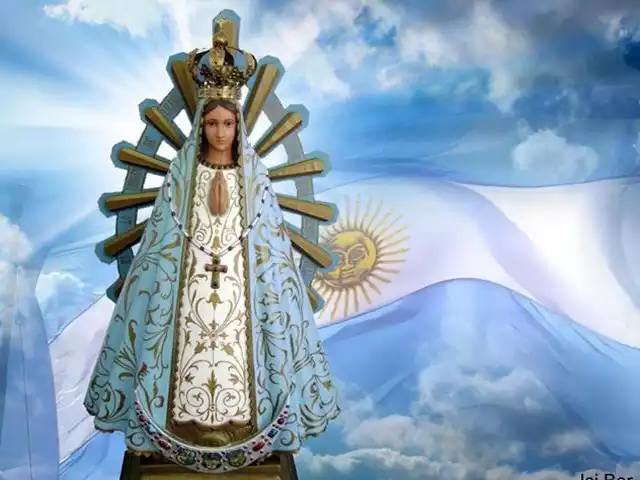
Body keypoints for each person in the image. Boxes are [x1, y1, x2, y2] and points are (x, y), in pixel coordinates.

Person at [83, 32, 340, 473]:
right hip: (186, 292)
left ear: (238, 127)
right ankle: (161, 432)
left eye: (227, 124)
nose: (220, 132)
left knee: (251, 358)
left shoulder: (254, 179)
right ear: (201, 125)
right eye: (212, 124)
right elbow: (162, 240)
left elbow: (270, 244)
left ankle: (260, 430)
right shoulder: (182, 176)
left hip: (243, 297)